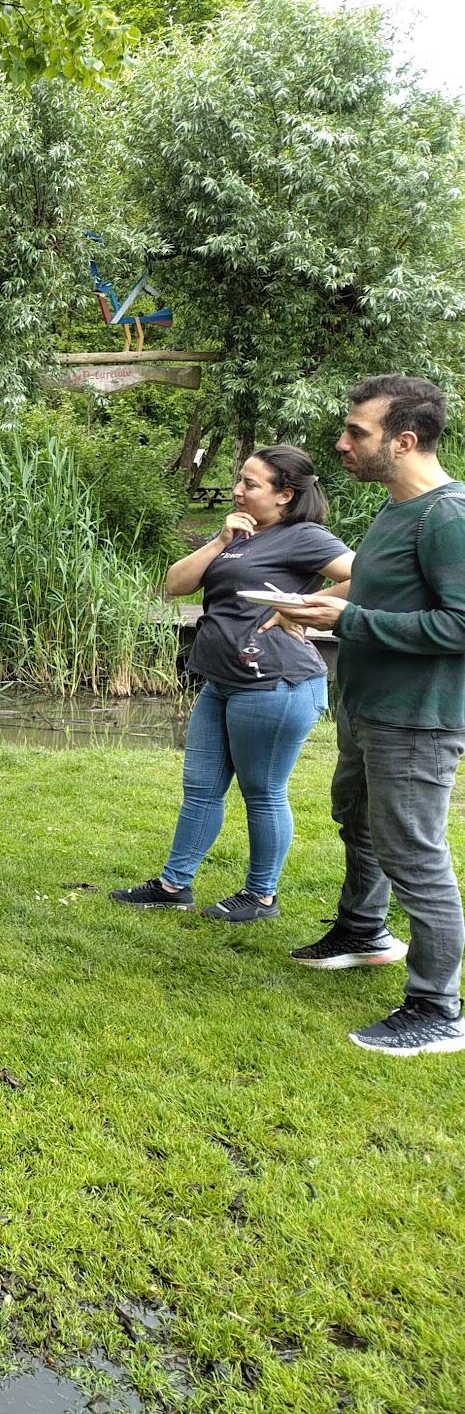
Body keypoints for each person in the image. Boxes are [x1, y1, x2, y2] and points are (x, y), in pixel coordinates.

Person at [283, 376, 465, 1057]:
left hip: (417, 718)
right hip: (367, 708)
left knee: (416, 856)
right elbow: (372, 585)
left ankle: (438, 1009)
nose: (342, 442)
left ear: (406, 440)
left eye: (357, 431)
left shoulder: (449, 517)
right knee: (357, 821)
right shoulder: (397, 511)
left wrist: (349, 619)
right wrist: (312, 605)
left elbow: (461, 623)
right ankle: (363, 932)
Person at [111, 448, 350, 923]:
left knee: (262, 791)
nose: (238, 490)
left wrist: (299, 607)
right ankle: (173, 885)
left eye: (251, 484)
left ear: (285, 495)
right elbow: (175, 584)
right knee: (200, 788)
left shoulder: (304, 536)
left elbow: (366, 575)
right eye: (239, 480)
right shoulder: (238, 533)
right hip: (221, 680)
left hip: (275, 684)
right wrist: (218, 540)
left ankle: (262, 896)